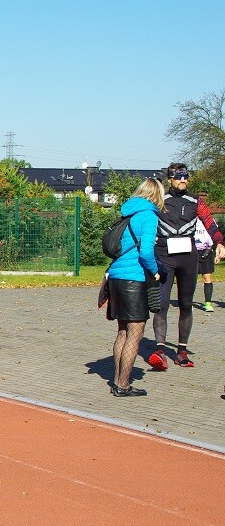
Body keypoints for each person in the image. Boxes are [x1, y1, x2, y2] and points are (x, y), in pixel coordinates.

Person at [147, 164, 225, 369]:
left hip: (188, 256)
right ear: (170, 179)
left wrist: (219, 242)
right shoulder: (159, 200)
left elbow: (209, 223)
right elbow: (144, 222)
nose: (183, 180)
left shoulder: (195, 202)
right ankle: (160, 350)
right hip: (164, 255)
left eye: (186, 176)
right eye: (178, 176)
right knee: (161, 303)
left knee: (186, 303)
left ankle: (181, 352)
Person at [106, 178, 164, 396]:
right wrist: (155, 271)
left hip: (116, 276)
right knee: (135, 334)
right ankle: (123, 384)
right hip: (134, 279)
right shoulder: (149, 216)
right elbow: (147, 251)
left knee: (122, 331)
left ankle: (116, 380)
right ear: (156, 195)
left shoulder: (128, 213)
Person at [195, 193, 215, 312]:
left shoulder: (209, 220)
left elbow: (214, 235)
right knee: (190, 279)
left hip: (206, 251)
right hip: (193, 251)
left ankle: (208, 303)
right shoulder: (191, 220)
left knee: (207, 277)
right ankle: (187, 303)